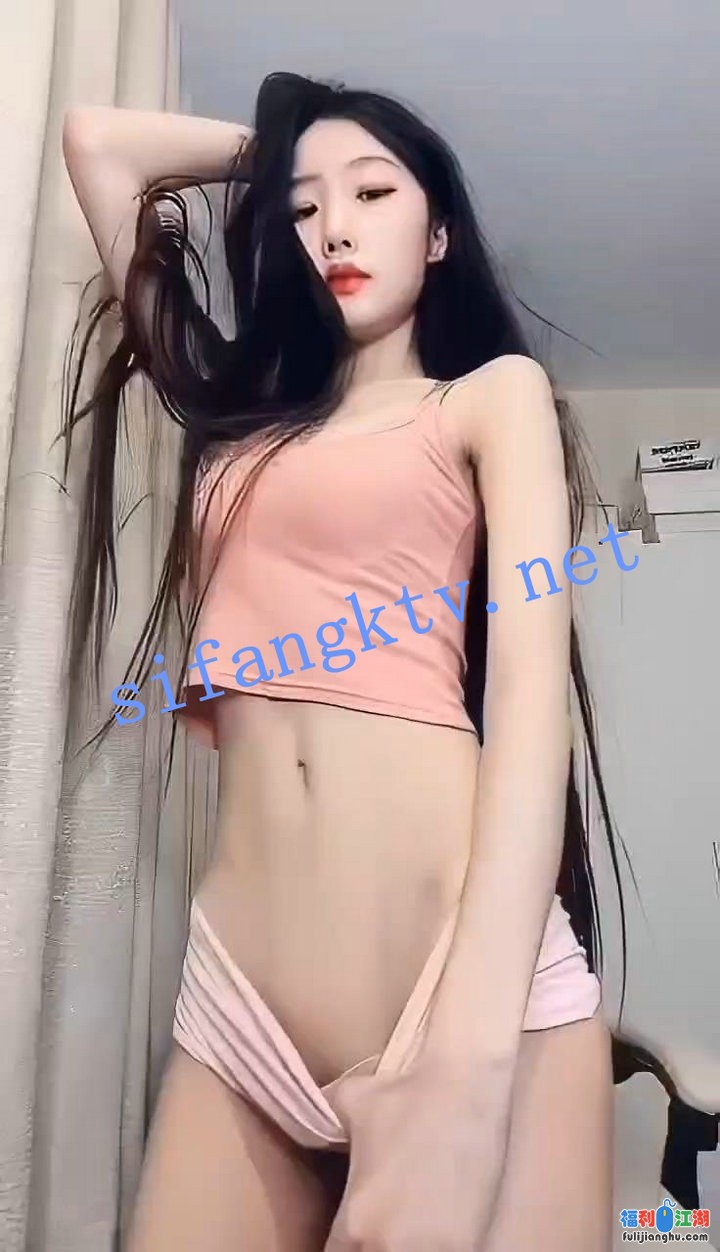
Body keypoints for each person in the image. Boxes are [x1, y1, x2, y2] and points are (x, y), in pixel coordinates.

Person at [61, 71, 619, 1251]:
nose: (337, 229)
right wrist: (274, 159)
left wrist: (463, 1078)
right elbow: (98, 147)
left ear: (440, 231)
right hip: (242, 1012)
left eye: (374, 192)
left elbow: (529, 708)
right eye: (305, 209)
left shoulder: (488, 398)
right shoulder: (237, 421)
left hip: (466, 996)